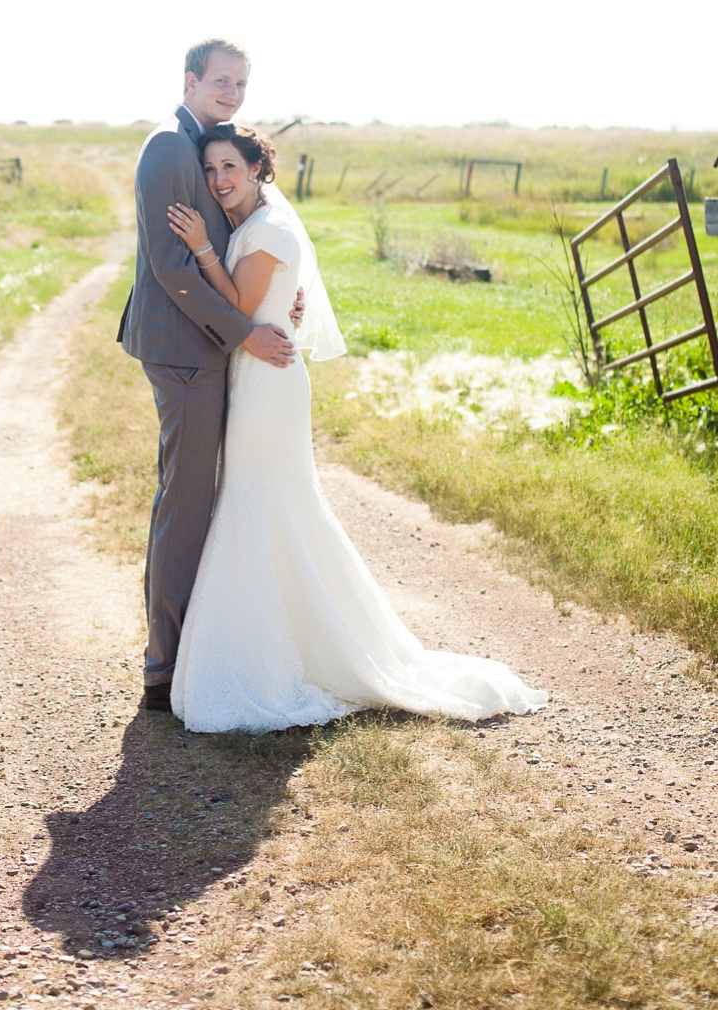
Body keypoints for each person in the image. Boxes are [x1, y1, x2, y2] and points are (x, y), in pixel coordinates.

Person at [163, 124, 548, 732]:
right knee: (269, 505)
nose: (218, 180)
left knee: (259, 502)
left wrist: (201, 247)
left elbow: (238, 307)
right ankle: (281, 643)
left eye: (230, 166)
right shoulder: (253, 226)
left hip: (269, 387)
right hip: (257, 374)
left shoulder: (267, 229)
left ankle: (278, 661)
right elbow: (266, 303)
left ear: (260, 167)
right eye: (210, 170)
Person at [117, 40, 298, 715]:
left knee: (202, 496)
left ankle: (198, 644)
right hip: (185, 348)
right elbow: (170, 264)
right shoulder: (168, 146)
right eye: (221, 80)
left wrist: (275, 302)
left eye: (241, 82)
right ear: (190, 80)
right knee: (186, 500)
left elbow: (232, 240)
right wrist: (245, 329)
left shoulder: (205, 144)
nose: (231, 91)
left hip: (209, 340)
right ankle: (164, 668)